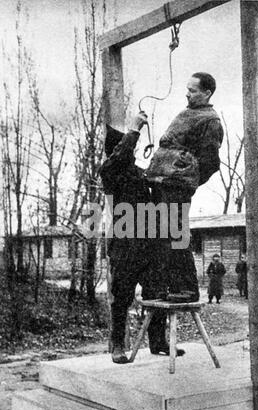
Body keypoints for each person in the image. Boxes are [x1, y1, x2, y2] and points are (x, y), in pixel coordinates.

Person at [100, 112, 185, 364]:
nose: (130, 148)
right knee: (122, 296)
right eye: (124, 146)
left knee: (156, 293)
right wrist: (134, 131)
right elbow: (118, 159)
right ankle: (117, 345)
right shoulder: (109, 171)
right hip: (125, 246)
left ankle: (157, 341)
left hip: (149, 245)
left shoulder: (139, 173)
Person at [145, 72, 224, 299]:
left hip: (176, 186)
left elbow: (210, 163)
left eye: (193, 90)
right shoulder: (189, 113)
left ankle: (188, 289)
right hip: (163, 182)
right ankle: (170, 287)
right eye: (187, 89)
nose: (187, 94)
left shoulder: (210, 121)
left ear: (207, 93)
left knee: (176, 234)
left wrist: (187, 180)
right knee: (161, 236)